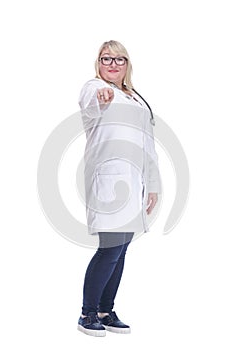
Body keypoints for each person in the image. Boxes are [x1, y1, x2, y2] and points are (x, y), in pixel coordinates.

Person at [77, 40, 161, 337]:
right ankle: (87, 313)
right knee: (110, 249)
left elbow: (147, 144)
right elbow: (91, 103)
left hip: (132, 182)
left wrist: (152, 184)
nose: (113, 64)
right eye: (106, 59)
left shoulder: (136, 98)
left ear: (128, 65)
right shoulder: (94, 87)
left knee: (122, 249)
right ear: (98, 64)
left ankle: (104, 309)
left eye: (119, 59)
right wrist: (101, 97)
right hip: (109, 182)